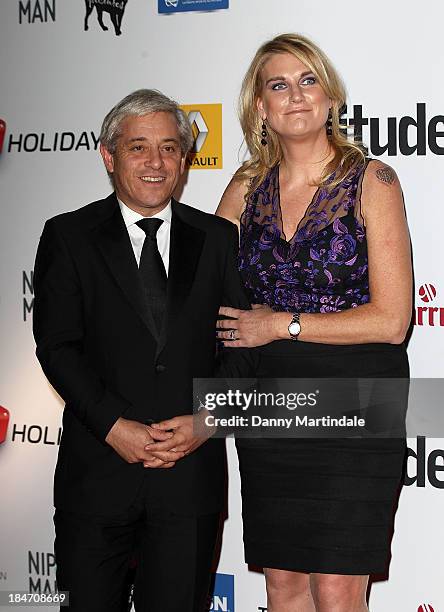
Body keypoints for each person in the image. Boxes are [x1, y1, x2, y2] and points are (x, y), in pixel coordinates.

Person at [33, 89, 254, 612]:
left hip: (189, 480)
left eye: (170, 148)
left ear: (184, 160)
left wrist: (206, 420)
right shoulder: (68, 236)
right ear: (109, 156)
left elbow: (242, 345)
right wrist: (114, 426)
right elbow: (58, 347)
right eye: (138, 147)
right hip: (98, 477)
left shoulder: (218, 238)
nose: (156, 163)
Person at [216, 34, 412, 612]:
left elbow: (393, 320)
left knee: (337, 585)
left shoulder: (371, 182)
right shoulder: (245, 188)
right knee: (283, 583)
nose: (296, 96)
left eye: (309, 81)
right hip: (271, 401)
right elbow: (203, 293)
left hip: (358, 396)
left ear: (331, 97)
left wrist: (280, 325)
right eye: (279, 85)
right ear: (261, 106)